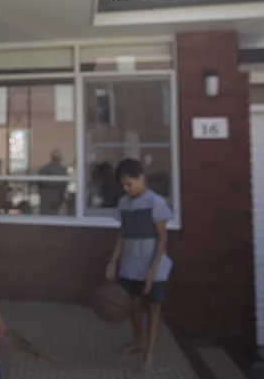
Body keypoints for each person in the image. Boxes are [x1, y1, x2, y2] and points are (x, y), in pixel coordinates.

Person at [104, 158, 173, 369]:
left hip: (154, 266)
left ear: (141, 178)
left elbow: (162, 239)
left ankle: (149, 353)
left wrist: (152, 271)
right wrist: (113, 262)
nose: (126, 188)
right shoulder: (124, 203)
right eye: (123, 185)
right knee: (132, 306)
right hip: (130, 265)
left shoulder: (156, 202)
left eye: (129, 183)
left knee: (153, 309)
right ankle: (138, 341)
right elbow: (122, 234)